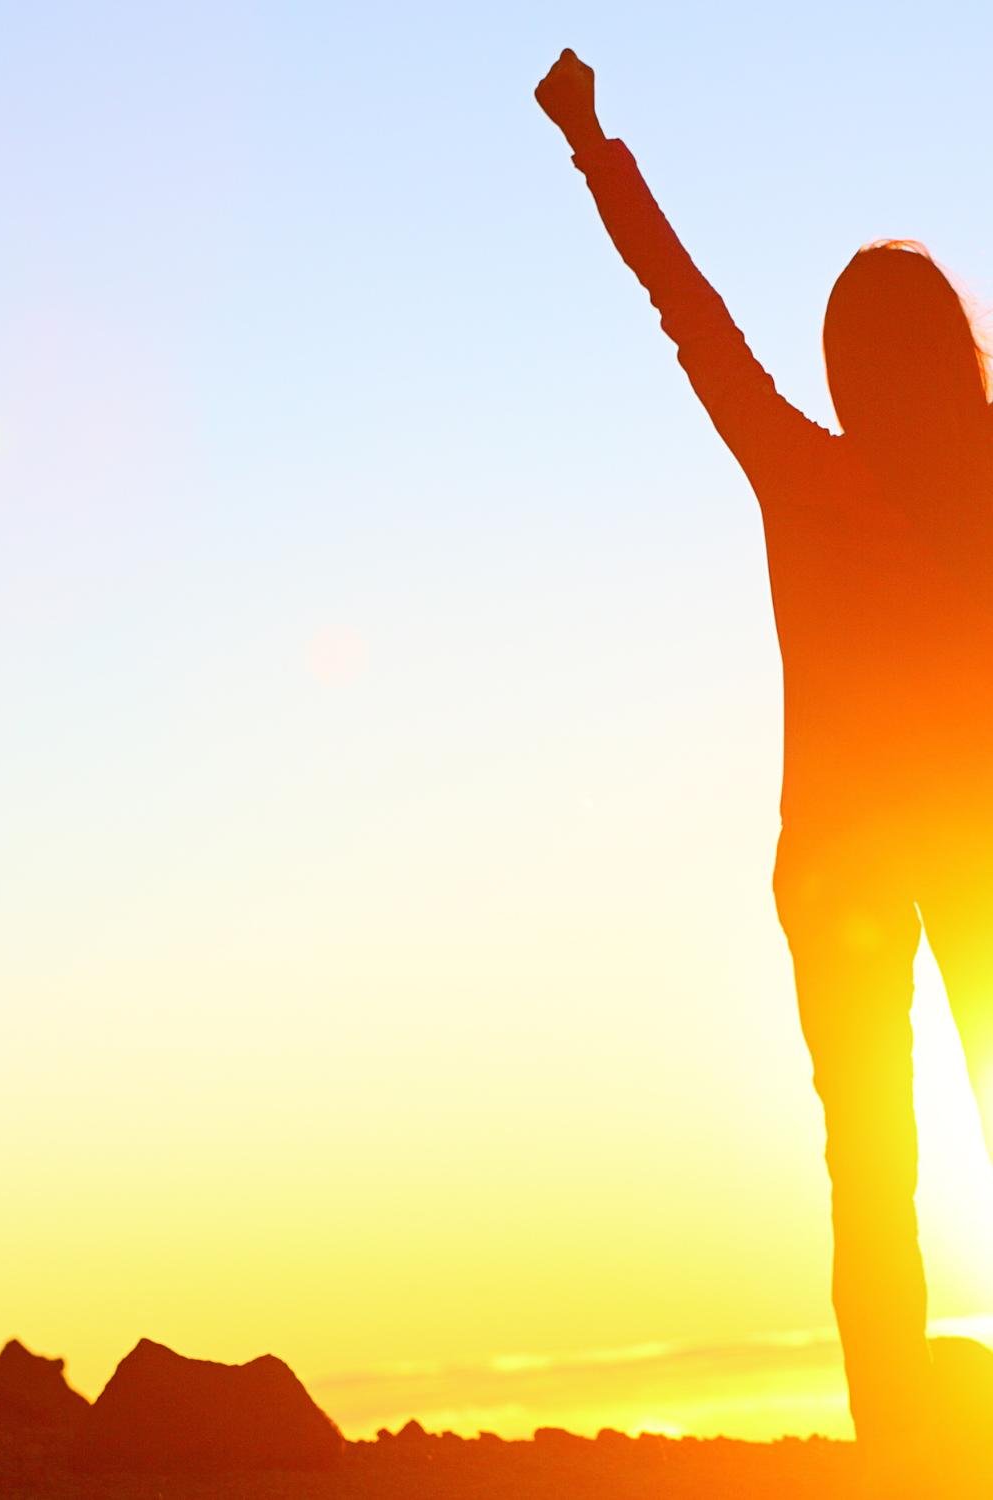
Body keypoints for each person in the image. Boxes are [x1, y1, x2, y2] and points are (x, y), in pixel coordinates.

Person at [535, 45, 993, 1497]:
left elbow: (693, 315)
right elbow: (692, 312)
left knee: (874, 1178)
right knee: (877, 1173)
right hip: (921, 863)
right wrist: (595, 148)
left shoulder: (812, 474)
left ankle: (905, 1461)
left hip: (858, 873)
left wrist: (593, 142)